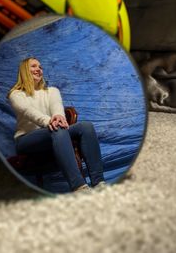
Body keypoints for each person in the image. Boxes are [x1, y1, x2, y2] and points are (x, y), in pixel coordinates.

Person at [8, 57, 105, 192]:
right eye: (34, 66)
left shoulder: (52, 91)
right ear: (25, 70)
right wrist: (49, 122)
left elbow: (56, 106)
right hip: (26, 139)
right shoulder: (16, 94)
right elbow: (28, 111)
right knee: (57, 129)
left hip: (53, 131)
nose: (38, 69)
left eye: (40, 67)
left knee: (86, 126)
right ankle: (79, 187)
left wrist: (58, 116)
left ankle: (99, 182)